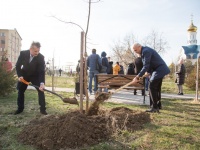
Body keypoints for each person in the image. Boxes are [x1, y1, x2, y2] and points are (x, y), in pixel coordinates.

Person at [132, 43, 170, 113]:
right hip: (158, 70)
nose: (135, 51)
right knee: (156, 88)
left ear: (140, 47)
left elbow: (146, 66)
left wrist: (137, 76)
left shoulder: (146, 51)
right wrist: (148, 72)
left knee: (151, 86)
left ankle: (154, 107)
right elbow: (150, 64)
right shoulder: (144, 52)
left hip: (159, 70)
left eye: (135, 50)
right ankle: (157, 105)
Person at [15, 42, 47, 115]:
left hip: (35, 76)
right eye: (36, 51)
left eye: (38, 51)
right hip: (24, 75)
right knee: (20, 91)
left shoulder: (41, 57)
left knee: (41, 91)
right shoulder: (23, 54)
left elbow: (41, 71)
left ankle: (43, 110)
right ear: (30, 49)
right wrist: (20, 76)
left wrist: (42, 83)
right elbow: (18, 66)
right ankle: (20, 109)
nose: (37, 53)